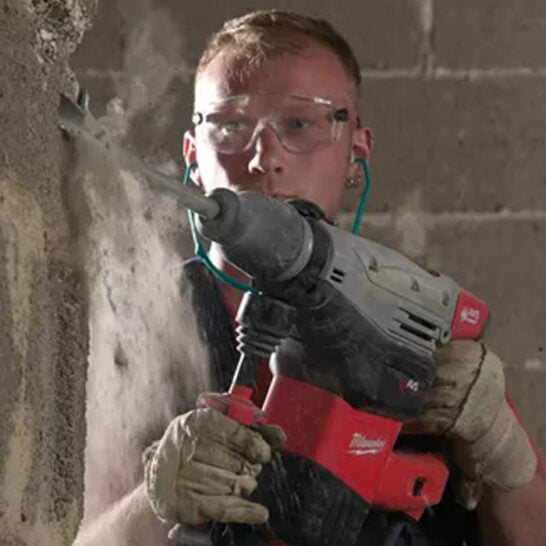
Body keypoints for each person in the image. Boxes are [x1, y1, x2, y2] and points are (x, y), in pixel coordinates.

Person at [75, 10, 546, 546]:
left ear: (356, 153)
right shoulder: (136, 334)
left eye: (300, 123)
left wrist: (500, 445)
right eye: (231, 126)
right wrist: (156, 501)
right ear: (193, 158)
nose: (264, 158)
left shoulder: (416, 319)